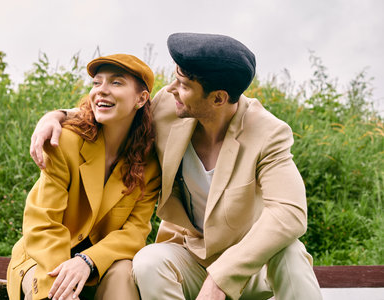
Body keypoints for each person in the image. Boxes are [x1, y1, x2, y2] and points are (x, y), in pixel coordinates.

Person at [30, 33, 322, 300]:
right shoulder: (170, 108)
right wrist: (56, 116)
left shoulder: (268, 133)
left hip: (253, 267)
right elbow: (117, 111)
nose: (170, 89)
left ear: (218, 98)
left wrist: (222, 277)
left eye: (183, 85)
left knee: (291, 253)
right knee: (148, 261)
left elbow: (290, 213)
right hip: (192, 258)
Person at [7, 54, 161, 300]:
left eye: (116, 83)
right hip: (44, 261)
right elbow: (42, 222)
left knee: (123, 274)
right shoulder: (64, 142)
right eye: (96, 83)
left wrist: (88, 261)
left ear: (141, 99)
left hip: (99, 266)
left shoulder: (149, 164)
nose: (102, 91)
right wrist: (64, 281)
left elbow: (135, 232)